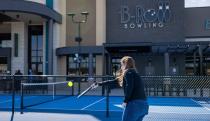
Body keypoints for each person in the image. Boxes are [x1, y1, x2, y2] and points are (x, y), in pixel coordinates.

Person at [116, 56, 149, 121]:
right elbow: (114, 81)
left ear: (125, 64)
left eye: (122, 64)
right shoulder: (135, 73)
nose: (121, 67)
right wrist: (99, 84)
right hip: (144, 105)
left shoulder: (128, 73)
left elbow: (129, 86)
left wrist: (125, 101)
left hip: (134, 105)